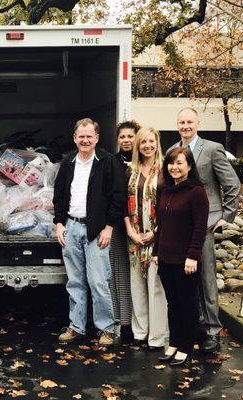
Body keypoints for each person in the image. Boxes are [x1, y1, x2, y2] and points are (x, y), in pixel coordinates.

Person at [169, 108, 240, 352]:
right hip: (179, 226)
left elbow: (232, 183)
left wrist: (225, 216)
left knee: (207, 280)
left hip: (206, 223)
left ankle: (212, 331)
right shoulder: (171, 152)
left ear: (198, 123)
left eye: (189, 121)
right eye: (181, 122)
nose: (185, 126)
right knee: (186, 279)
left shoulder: (211, 149)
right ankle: (195, 326)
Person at [53, 118, 125, 346]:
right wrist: (59, 223)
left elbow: (117, 197)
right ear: (75, 138)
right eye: (81, 136)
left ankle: (105, 329)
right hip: (71, 227)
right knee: (75, 282)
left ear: (97, 138)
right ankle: (76, 327)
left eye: (89, 136)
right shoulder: (68, 163)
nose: (85, 140)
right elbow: (59, 196)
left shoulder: (108, 162)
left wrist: (109, 227)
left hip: (97, 230)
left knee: (98, 281)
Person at [153, 147, 209, 366]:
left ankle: (187, 347)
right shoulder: (167, 190)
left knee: (187, 304)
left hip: (186, 261)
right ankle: (174, 343)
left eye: (179, 163)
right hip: (166, 258)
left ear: (189, 166)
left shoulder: (196, 192)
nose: (174, 167)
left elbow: (199, 228)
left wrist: (193, 256)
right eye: (171, 163)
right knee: (172, 303)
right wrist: (157, 252)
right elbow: (162, 226)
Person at [124, 127, 168, 350]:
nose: (147, 146)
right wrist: (130, 231)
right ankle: (140, 332)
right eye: (143, 142)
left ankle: (157, 337)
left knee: (156, 285)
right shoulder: (131, 171)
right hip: (134, 236)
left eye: (151, 141)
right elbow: (123, 204)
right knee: (137, 286)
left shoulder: (165, 171)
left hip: (157, 236)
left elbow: (168, 205)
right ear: (137, 146)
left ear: (157, 143)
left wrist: (156, 232)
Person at [110, 120, 140, 341]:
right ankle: (121, 323)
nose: (126, 140)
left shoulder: (146, 162)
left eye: (130, 136)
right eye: (122, 137)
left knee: (139, 275)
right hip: (119, 226)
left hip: (142, 227)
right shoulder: (111, 162)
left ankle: (140, 324)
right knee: (118, 274)